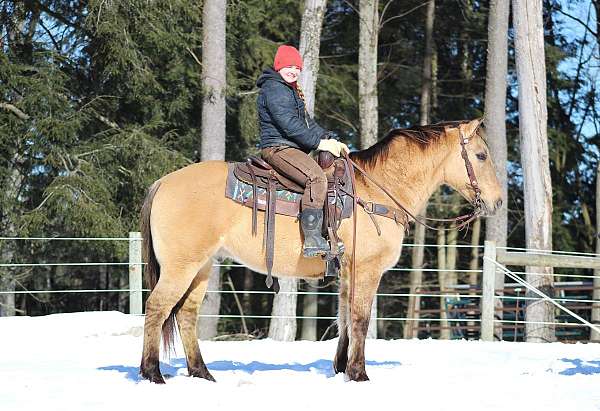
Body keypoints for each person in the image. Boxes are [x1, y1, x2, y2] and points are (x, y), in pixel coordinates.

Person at [256, 45, 349, 258]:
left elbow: (306, 122)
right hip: (278, 147)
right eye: (288, 66)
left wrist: (328, 138)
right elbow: (288, 124)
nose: (293, 71)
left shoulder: (290, 89)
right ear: (278, 66)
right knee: (317, 178)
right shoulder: (274, 88)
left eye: (297, 67)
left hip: (289, 147)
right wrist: (319, 144)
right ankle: (311, 239)